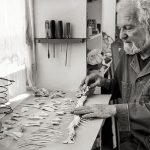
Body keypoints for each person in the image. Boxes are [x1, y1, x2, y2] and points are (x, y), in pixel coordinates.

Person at [73, 0, 150, 150]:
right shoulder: (130, 55)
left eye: (128, 28)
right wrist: (104, 82)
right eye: (120, 28)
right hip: (130, 139)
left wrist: (115, 109)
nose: (121, 35)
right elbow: (122, 87)